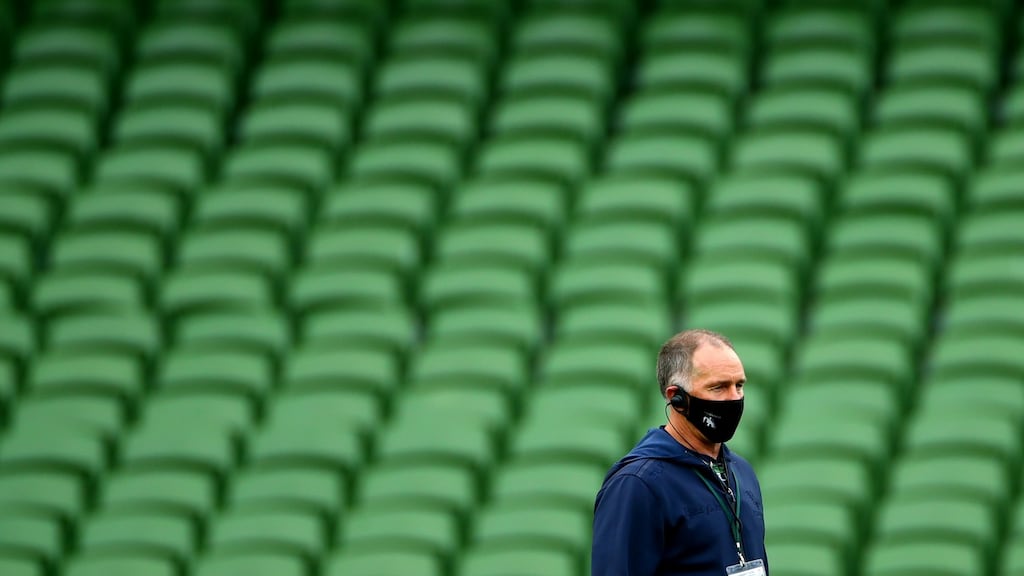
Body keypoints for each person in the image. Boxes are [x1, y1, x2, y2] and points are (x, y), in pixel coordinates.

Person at [591, 329, 768, 575]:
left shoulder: (741, 471)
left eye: (739, 385)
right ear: (677, 398)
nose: (734, 398)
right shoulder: (637, 484)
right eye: (718, 387)